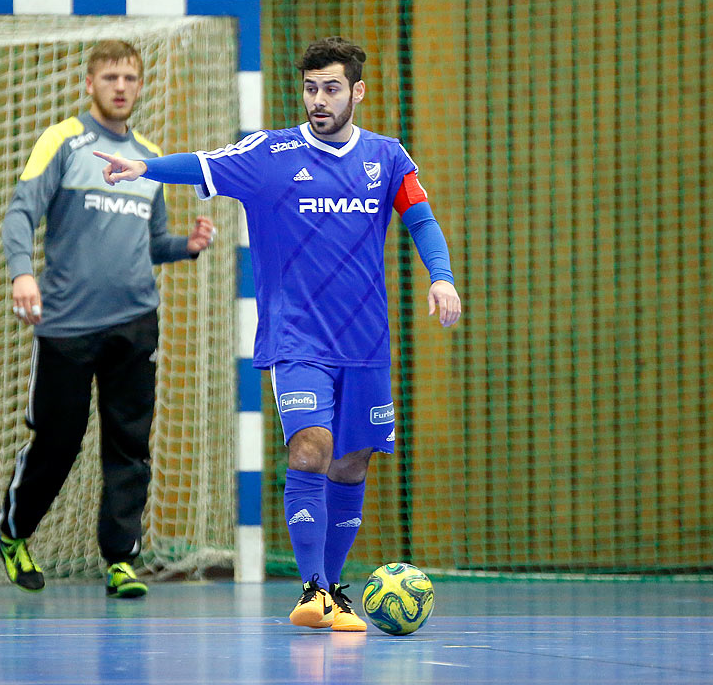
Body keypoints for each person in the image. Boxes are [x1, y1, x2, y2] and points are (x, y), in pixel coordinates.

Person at [96, 35, 461, 630]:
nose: (319, 99)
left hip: (366, 343)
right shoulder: (271, 154)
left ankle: (334, 591)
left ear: (357, 92)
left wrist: (441, 279)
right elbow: (203, 163)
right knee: (311, 446)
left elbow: (421, 217)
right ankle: (313, 590)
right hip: (298, 340)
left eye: (332, 88)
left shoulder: (388, 156)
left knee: (352, 465)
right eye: (311, 88)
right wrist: (144, 166)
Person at [0, 39, 215, 598]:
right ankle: (14, 532)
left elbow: (151, 242)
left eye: (131, 78)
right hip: (67, 325)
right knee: (58, 441)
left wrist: (184, 246)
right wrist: (22, 272)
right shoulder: (63, 142)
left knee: (129, 445)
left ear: (140, 86)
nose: (121, 86)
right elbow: (22, 210)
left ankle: (121, 560)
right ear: (88, 83)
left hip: (136, 321)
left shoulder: (148, 158)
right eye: (111, 76)